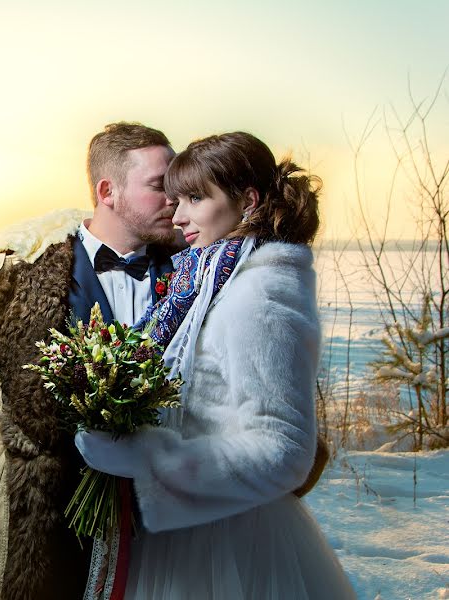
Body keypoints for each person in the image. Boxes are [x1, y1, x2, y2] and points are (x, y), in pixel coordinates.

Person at [76, 131, 356, 599]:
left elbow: (285, 449)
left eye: (194, 198)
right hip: (189, 529)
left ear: (247, 200)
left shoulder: (262, 290)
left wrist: (149, 460)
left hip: (229, 545)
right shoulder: (208, 275)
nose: (177, 214)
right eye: (174, 196)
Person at [0, 122, 181, 599]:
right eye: (159, 186)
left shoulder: (194, 273)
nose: (174, 200)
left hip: (158, 524)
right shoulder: (15, 267)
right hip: (31, 512)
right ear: (107, 191)